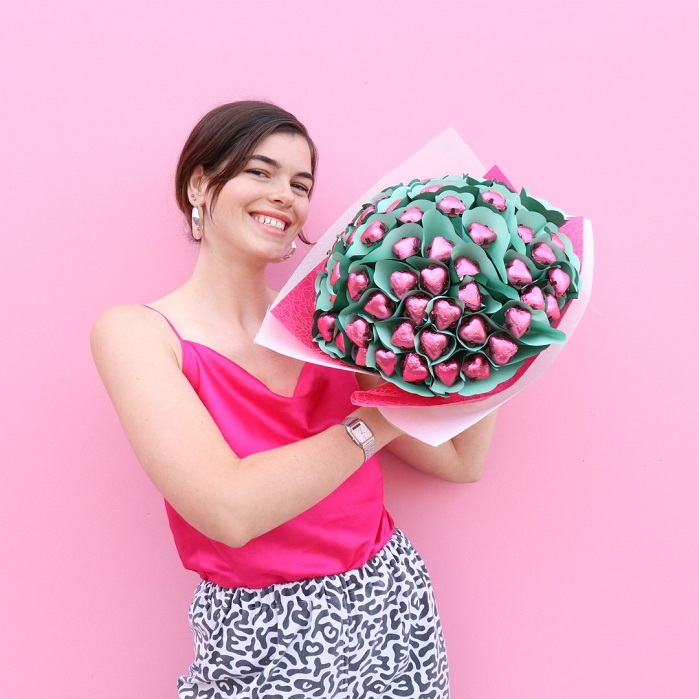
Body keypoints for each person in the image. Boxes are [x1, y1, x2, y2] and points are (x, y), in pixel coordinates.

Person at [91, 100, 497, 699]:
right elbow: (231, 512)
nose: (285, 194)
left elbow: (461, 461)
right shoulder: (136, 332)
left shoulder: (333, 325)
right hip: (263, 638)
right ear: (201, 183)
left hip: (392, 609)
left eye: (300, 183)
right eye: (260, 172)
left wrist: (486, 329)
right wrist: (379, 418)